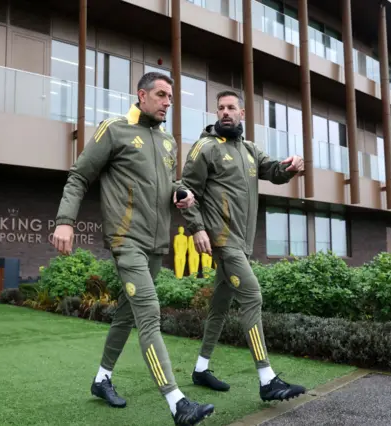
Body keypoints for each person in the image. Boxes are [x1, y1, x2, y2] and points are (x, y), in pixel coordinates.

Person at [51, 72, 215, 425]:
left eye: (170, 97)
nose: (167, 102)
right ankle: (176, 402)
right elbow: (79, 175)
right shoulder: (114, 130)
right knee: (148, 314)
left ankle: (101, 379)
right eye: (161, 95)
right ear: (142, 95)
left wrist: (186, 203)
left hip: (157, 244)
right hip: (126, 242)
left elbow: (171, 188)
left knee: (126, 314)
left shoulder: (168, 142)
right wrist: (65, 219)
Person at [179, 90, 307, 402]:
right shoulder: (205, 148)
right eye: (220, 108)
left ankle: (201, 368)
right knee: (252, 296)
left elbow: (273, 171)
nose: (225, 112)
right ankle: (267, 380)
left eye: (231, 107)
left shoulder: (249, 150)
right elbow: (184, 190)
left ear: (242, 113)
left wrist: (290, 167)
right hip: (222, 241)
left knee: (220, 306)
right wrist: (196, 229)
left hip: (242, 241)